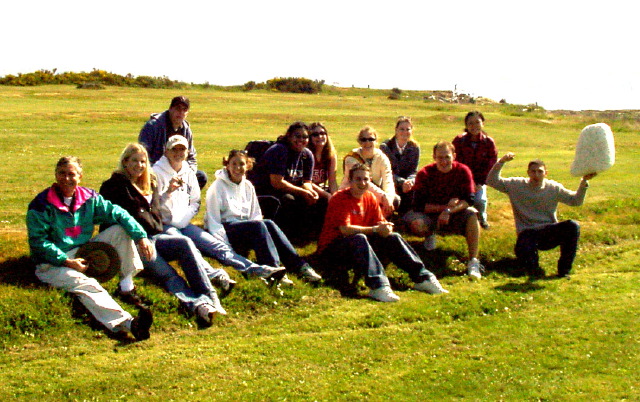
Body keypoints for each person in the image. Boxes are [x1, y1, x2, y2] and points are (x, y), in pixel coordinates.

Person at [26, 156, 153, 341]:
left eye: (72, 174)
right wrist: (67, 261)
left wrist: (141, 237)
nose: (67, 178)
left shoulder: (89, 198)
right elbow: (39, 243)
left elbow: (118, 213)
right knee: (88, 285)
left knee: (120, 230)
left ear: (80, 176)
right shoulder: (41, 205)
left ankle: (127, 286)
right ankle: (129, 324)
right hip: (51, 264)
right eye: (62, 173)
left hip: (82, 253)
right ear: (55, 175)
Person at [100, 143, 227, 326]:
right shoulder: (114, 186)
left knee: (184, 243)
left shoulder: (147, 184)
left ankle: (210, 296)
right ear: (125, 161)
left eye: (143, 161)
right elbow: (126, 218)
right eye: (134, 161)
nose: (139, 165)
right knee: (167, 274)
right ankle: (198, 305)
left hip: (152, 236)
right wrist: (146, 226)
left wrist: (153, 216)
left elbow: (156, 216)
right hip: (131, 243)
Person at [152, 136, 284, 287]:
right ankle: (216, 276)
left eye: (182, 149)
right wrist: (168, 193)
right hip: (165, 225)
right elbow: (152, 206)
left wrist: (183, 218)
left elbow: (195, 201)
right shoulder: (156, 172)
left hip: (185, 224)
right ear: (166, 151)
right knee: (188, 246)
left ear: (187, 152)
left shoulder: (188, 172)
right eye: (174, 149)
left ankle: (257, 270)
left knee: (218, 247)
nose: (178, 153)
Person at [318, 163, 448, 302]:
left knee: (393, 237)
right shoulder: (340, 198)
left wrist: (386, 228)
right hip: (332, 249)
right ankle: (378, 286)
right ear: (350, 181)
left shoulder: (370, 197)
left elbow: (379, 224)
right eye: (358, 179)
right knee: (359, 238)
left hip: (360, 246)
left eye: (366, 179)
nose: (362, 183)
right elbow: (345, 229)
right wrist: (375, 229)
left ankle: (423, 278)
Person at [205, 150, 322, 284]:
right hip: (226, 229)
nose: (238, 168)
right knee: (258, 225)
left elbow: (255, 213)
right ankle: (273, 269)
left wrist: (258, 233)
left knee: (268, 223)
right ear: (227, 166)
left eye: (242, 164)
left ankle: (300, 266)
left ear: (247, 165)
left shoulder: (248, 185)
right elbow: (213, 221)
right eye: (234, 164)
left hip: (246, 226)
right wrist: (224, 244)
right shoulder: (217, 187)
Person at [486, 152, 597, 278]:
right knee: (531, 268)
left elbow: (575, 201)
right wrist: (501, 161)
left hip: (548, 232)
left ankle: (564, 271)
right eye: (533, 172)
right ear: (528, 173)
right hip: (527, 233)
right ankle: (532, 268)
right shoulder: (516, 185)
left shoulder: (553, 188)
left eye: (540, 171)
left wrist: (584, 182)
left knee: (572, 226)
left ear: (546, 173)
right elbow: (491, 181)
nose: (536, 175)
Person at [404, 141, 483, 279]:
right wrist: (445, 207)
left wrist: (449, 211)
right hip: (428, 214)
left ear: (454, 156)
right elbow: (418, 205)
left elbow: (469, 200)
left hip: (453, 214)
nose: (444, 161)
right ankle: (430, 235)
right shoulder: (425, 173)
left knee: (472, 215)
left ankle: (473, 261)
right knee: (417, 224)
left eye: (447, 157)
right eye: (440, 157)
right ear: (434, 157)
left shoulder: (463, 171)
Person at [251, 121, 327, 238]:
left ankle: (312, 234)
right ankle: (285, 235)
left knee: (318, 200)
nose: (301, 140)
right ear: (289, 136)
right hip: (268, 191)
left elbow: (307, 182)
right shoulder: (279, 150)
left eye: (305, 137)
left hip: (290, 189)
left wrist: (310, 192)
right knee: (289, 200)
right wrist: (302, 192)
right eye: (297, 136)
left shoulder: (307, 155)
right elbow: (277, 182)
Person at [139, 96, 208, 189]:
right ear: (170, 109)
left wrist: (187, 173)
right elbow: (143, 155)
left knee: (201, 176)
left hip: (179, 171)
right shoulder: (153, 126)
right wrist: (154, 172)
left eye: (185, 110)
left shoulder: (186, 130)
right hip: (157, 170)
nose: (181, 113)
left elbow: (191, 157)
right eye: (178, 109)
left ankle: (186, 200)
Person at [340, 126, 399, 217]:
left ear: (376, 141)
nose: (367, 142)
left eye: (371, 139)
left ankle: (379, 221)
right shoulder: (351, 158)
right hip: (353, 193)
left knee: (395, 199)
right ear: (359, 142)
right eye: (364, 140)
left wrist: (389, 198)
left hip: (375, 194)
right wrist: (383, 197)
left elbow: (388, 180)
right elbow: (365, 183)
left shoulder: (382, 157)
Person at [452, 111, 498, 229]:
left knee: (480, 201)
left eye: (477, 122)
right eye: (470, 123)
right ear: (466, 125)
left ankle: (482, 218)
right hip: (461, 180)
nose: (474, 126)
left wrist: (480, 183)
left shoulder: (488, 142)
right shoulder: (459, 141)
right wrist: (467, 182)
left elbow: (491, 165)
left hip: (479, 182)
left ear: (483, 123)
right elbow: (455, 163)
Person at [380, 116, 420, 214]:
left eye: (408, 129)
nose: (405, 132)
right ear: (396, 130)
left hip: (407, 184)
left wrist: (409, 182)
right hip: (389, 181)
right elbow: (385, 172)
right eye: (402, 129)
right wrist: (402, 182)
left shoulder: (415, 148)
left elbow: (413, 171)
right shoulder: (385, 147)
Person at [307, 122, 339, 200]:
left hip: (321, 189)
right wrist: (326, 195)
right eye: (315, 134)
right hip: (307, 190)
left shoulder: (330, 155)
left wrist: (336, 198)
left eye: (322, 133)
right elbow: (306, 182)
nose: (320, 136)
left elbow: (332, 182)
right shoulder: (306, 155)